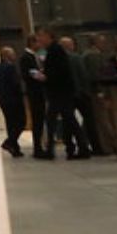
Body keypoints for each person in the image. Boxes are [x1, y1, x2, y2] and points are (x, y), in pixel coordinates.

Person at [38, 30, 90, 160]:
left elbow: (59, 72)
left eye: (41, 36)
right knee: (68, 120)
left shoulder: (55, 51)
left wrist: (46, 77)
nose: (40, 39)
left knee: (57, 120)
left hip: (60, 92)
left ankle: (52, 150)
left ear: (49, 37)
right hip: (62, 92)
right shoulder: (53, 51)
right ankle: (80, 148)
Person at [0, 47, 26, 158]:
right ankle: (9, 142)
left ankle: (15, 149)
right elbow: (15, 84)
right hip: (14, 99)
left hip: (2, 100)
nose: (14, 56)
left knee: (10, 123)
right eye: (12, 54)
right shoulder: (11, 68)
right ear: (6, 55)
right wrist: (22, 94)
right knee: (21, 122)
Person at [18, 39, 49, 157]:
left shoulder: (34, 56)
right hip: (35, 92)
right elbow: (31, 73)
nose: (40, 45)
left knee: (40, 120)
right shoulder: (27, 57)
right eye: (38, 43)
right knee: (37, 120)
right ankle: (37, 148)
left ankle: (39, 146)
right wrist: (44, 77)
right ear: (32, 43)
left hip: (38, 92)